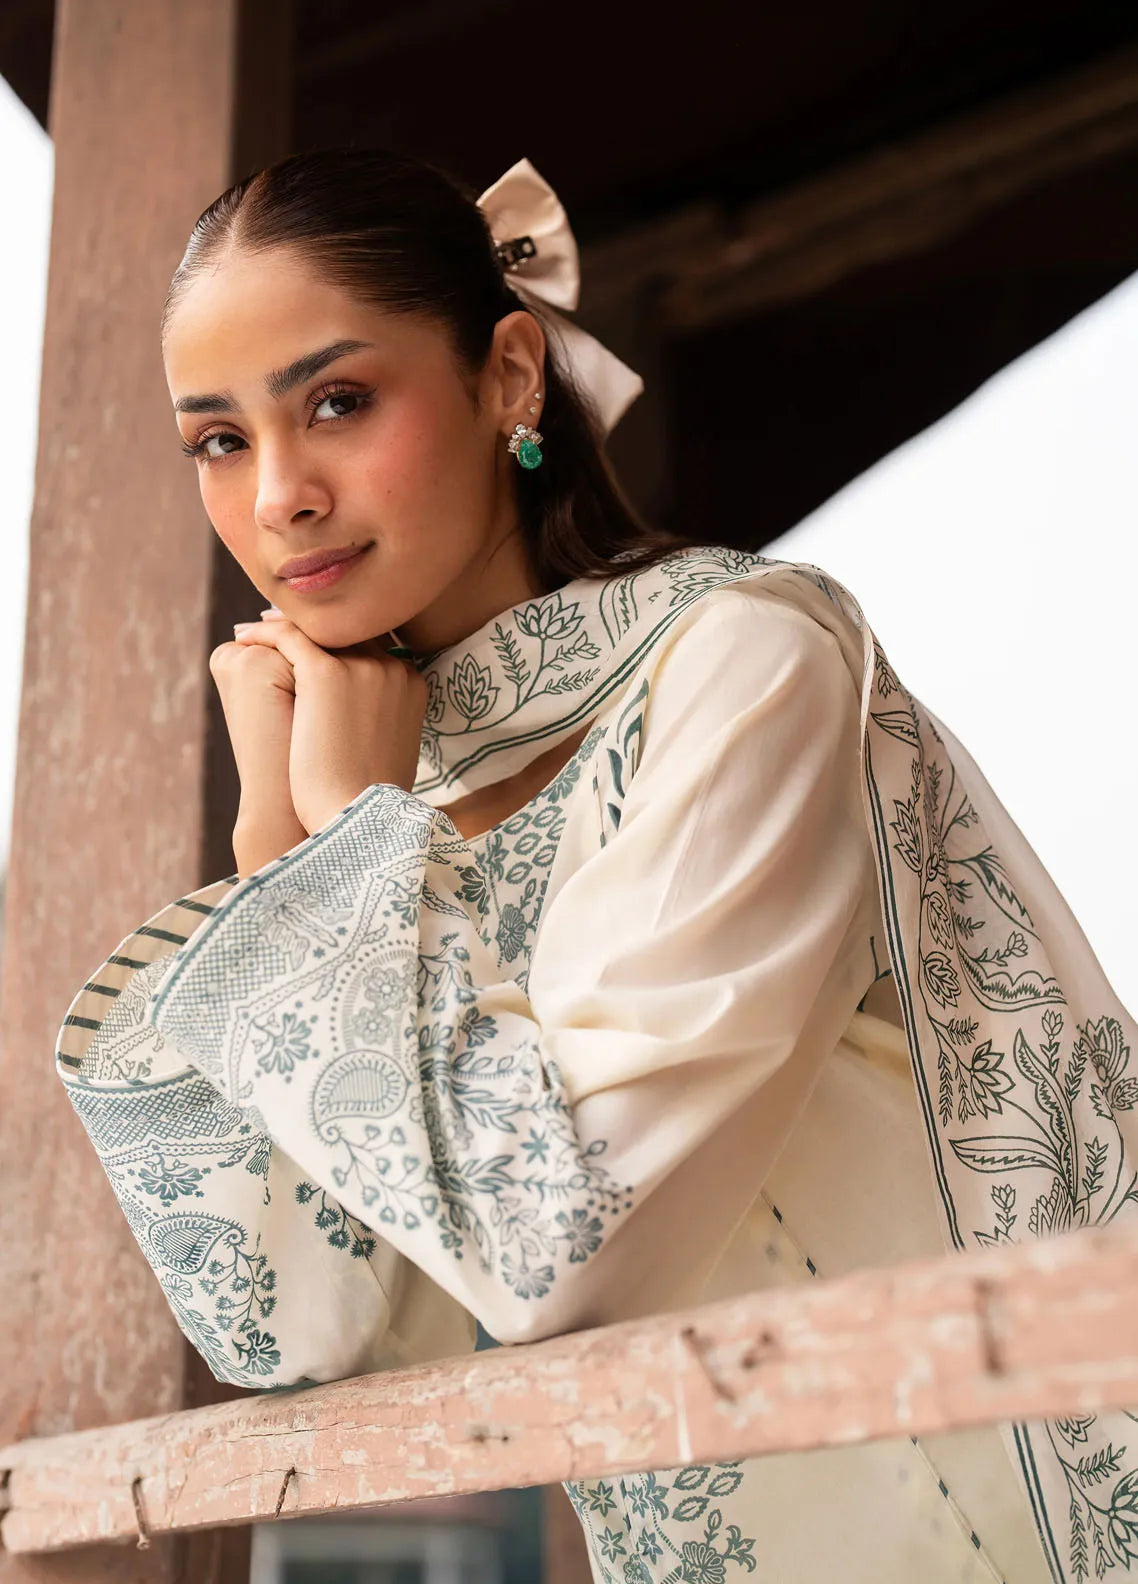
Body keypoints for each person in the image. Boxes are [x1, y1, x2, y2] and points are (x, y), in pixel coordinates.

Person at [55, 148, 1137, 1584]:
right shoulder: (378, 811)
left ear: (509, 375)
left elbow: (561, 1251)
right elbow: (293, 1325)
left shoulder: (736, 665)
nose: (280, 497)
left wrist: (348, 848)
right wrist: (288, 849)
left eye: (337, 401)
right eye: (219, 441)